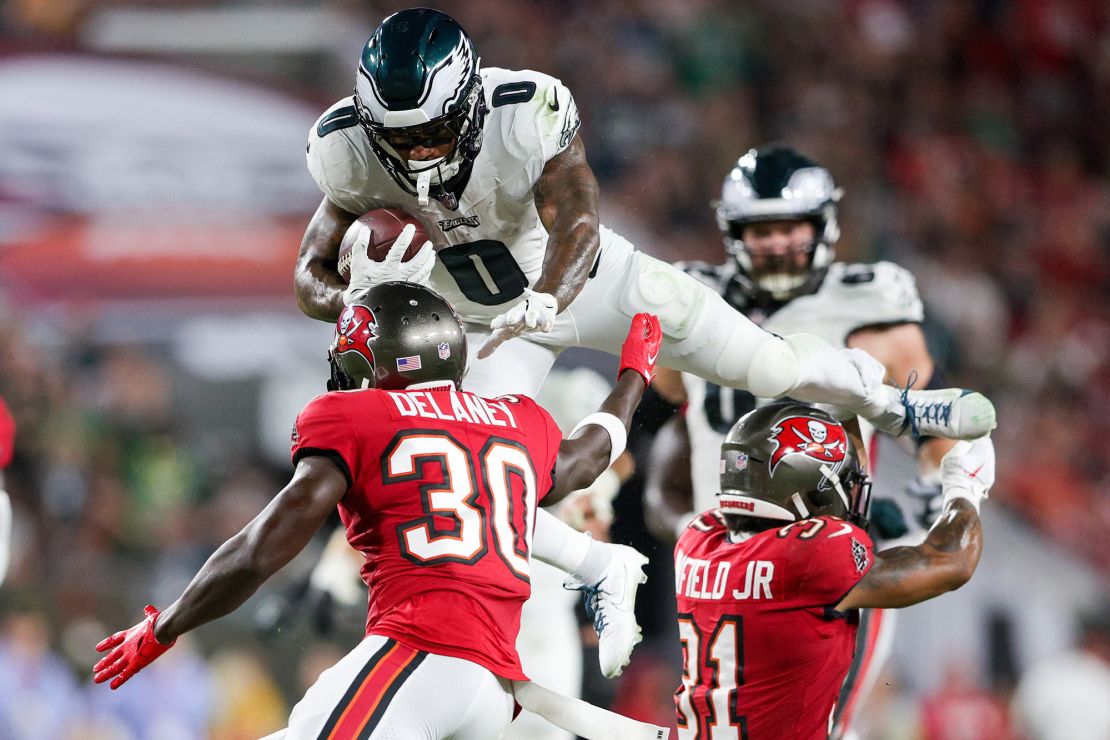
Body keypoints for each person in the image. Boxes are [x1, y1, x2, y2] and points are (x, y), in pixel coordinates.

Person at [294, 7, 994, 680]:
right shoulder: (346, 150)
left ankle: (893, 402)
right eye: (401, 138)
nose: (420, 153)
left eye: (435, 132)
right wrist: (356, 294)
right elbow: (309, 277)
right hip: (487, 324)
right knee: (485, 489)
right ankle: (602, 570)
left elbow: (579, 222)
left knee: (771, 365)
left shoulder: (526, 110)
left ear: (470, 103)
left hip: (590, 282)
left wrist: (551, 298)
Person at [93, 282, 667, 740]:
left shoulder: (356, 417)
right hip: (495, 689)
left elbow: (259, 550)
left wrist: (163, 627)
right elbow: (586, 458)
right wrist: (634, 377)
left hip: (421, 656)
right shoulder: (518, 419)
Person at [645, 143, 958, 736]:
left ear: (824, 226)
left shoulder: (871, 305)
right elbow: (659, 417)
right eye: (759, 230)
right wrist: (671, 512)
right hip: (724, 562)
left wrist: (935, 489)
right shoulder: (689, 302)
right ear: (731, 232)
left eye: (790, 227)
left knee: (821, 726)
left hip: (821, 560)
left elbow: (936, 425)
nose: (776, 243)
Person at [672, 400, 993, 739]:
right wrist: (964, 485)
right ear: (805, 489)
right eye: (841, 482)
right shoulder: (812, 555)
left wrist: (841, 401)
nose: (851, 491)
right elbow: (953, 561)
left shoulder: (698, 540)